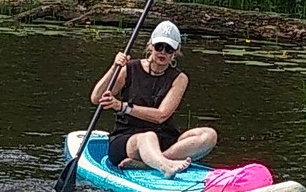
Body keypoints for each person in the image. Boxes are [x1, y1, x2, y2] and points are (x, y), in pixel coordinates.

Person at [89, 19, 218, 177]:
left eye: (169, 49)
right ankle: (165, 167)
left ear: (175, 51)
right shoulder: (129, 69)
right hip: (128, 140)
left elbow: (161, 115)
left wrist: (123, 106)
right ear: (151, 46)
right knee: (148, 137)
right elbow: (96, 98)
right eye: (159, 46)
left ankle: (149, 163)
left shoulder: (179, 78)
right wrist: (115, 67)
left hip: (164, 139)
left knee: (209, 134)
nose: (163, 52)